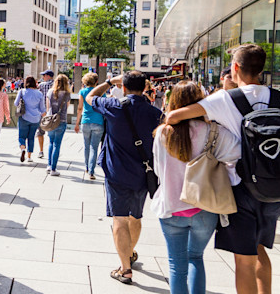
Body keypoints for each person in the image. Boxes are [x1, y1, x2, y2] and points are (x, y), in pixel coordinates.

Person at [164, 44, 280, 294]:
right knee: (259, 250)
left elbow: (174, 117)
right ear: (261, 69)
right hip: (275, 188)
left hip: (241, 190)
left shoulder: (224, 99)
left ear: (235, 67)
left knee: (244, 260)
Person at [152, 81, 240, 294]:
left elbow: (158, 169)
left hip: (171, 206)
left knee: (176, 264)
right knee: (196, 257)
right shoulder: (215, 132)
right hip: (205, 207)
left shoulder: (163, 133)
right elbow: (236, 155)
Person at [86, 71, 163, 284]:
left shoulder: (113, 106)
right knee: (135, 216)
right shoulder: (155, 112)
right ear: (145, 87)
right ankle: (130, 252)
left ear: (124, 87)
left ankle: (125, 269)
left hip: (116, 172)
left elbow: (90, 96)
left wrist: (109, 81)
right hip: (143, 173)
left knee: (119, 219)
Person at [74, 73, 104, 180]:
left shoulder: (82, 92)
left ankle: (87, 167)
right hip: (98, 122)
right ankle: (91, 171)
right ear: (96, 81)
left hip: (85, 121)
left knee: (86, 146)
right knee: (94, 147)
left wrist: (77, 123)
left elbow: (80, 108)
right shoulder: (101, 92)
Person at [44, 74, 72, 176]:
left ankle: (49, 165)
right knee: (57, 144)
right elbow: (67, 107)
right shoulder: (67, 94)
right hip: (61, 120)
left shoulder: (50, 92)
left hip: (51, 121)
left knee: (51, 143)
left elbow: (47, 107)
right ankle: (53, 169)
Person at [14, 76, 46, 162]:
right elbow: (42, 109)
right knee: (31, 137)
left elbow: (16, 103)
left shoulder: (22, 91)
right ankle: (29, 157)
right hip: (36, 118)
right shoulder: (39, 94)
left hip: (24, 117)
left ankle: (22, 148)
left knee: (22, 136)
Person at [35, 70, 55, 160]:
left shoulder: (42, 85)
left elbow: (38, 98)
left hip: (42, 112)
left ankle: (41, 151)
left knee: (40, 132)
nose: (43, 77)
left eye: (44, 75)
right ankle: (52, 150)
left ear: (48, 76)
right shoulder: (56, 85)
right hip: (53, 112)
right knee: (52, 133)